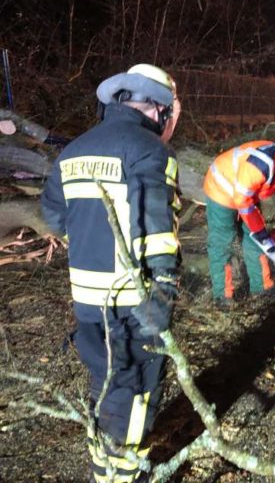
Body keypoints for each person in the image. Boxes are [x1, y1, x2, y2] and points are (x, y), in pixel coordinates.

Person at [41, 64, 182, 482]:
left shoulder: (74, 150)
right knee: (136, 394)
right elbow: (160, 232)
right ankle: (121, 476)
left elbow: (53, 214)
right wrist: (164, 293)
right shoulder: (151, 152)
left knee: (104, 382)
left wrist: (91, 239)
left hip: (87, 301)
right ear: (158, 110)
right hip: (133, 303)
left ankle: (101, 462)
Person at [202, 140, 275, 304]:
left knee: (254, 240)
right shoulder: (259, 165)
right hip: (222, 186)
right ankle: (222, 295)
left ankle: (261, 289)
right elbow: (242, 202)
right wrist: (262, 234)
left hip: (246, 191)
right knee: (222, 239)